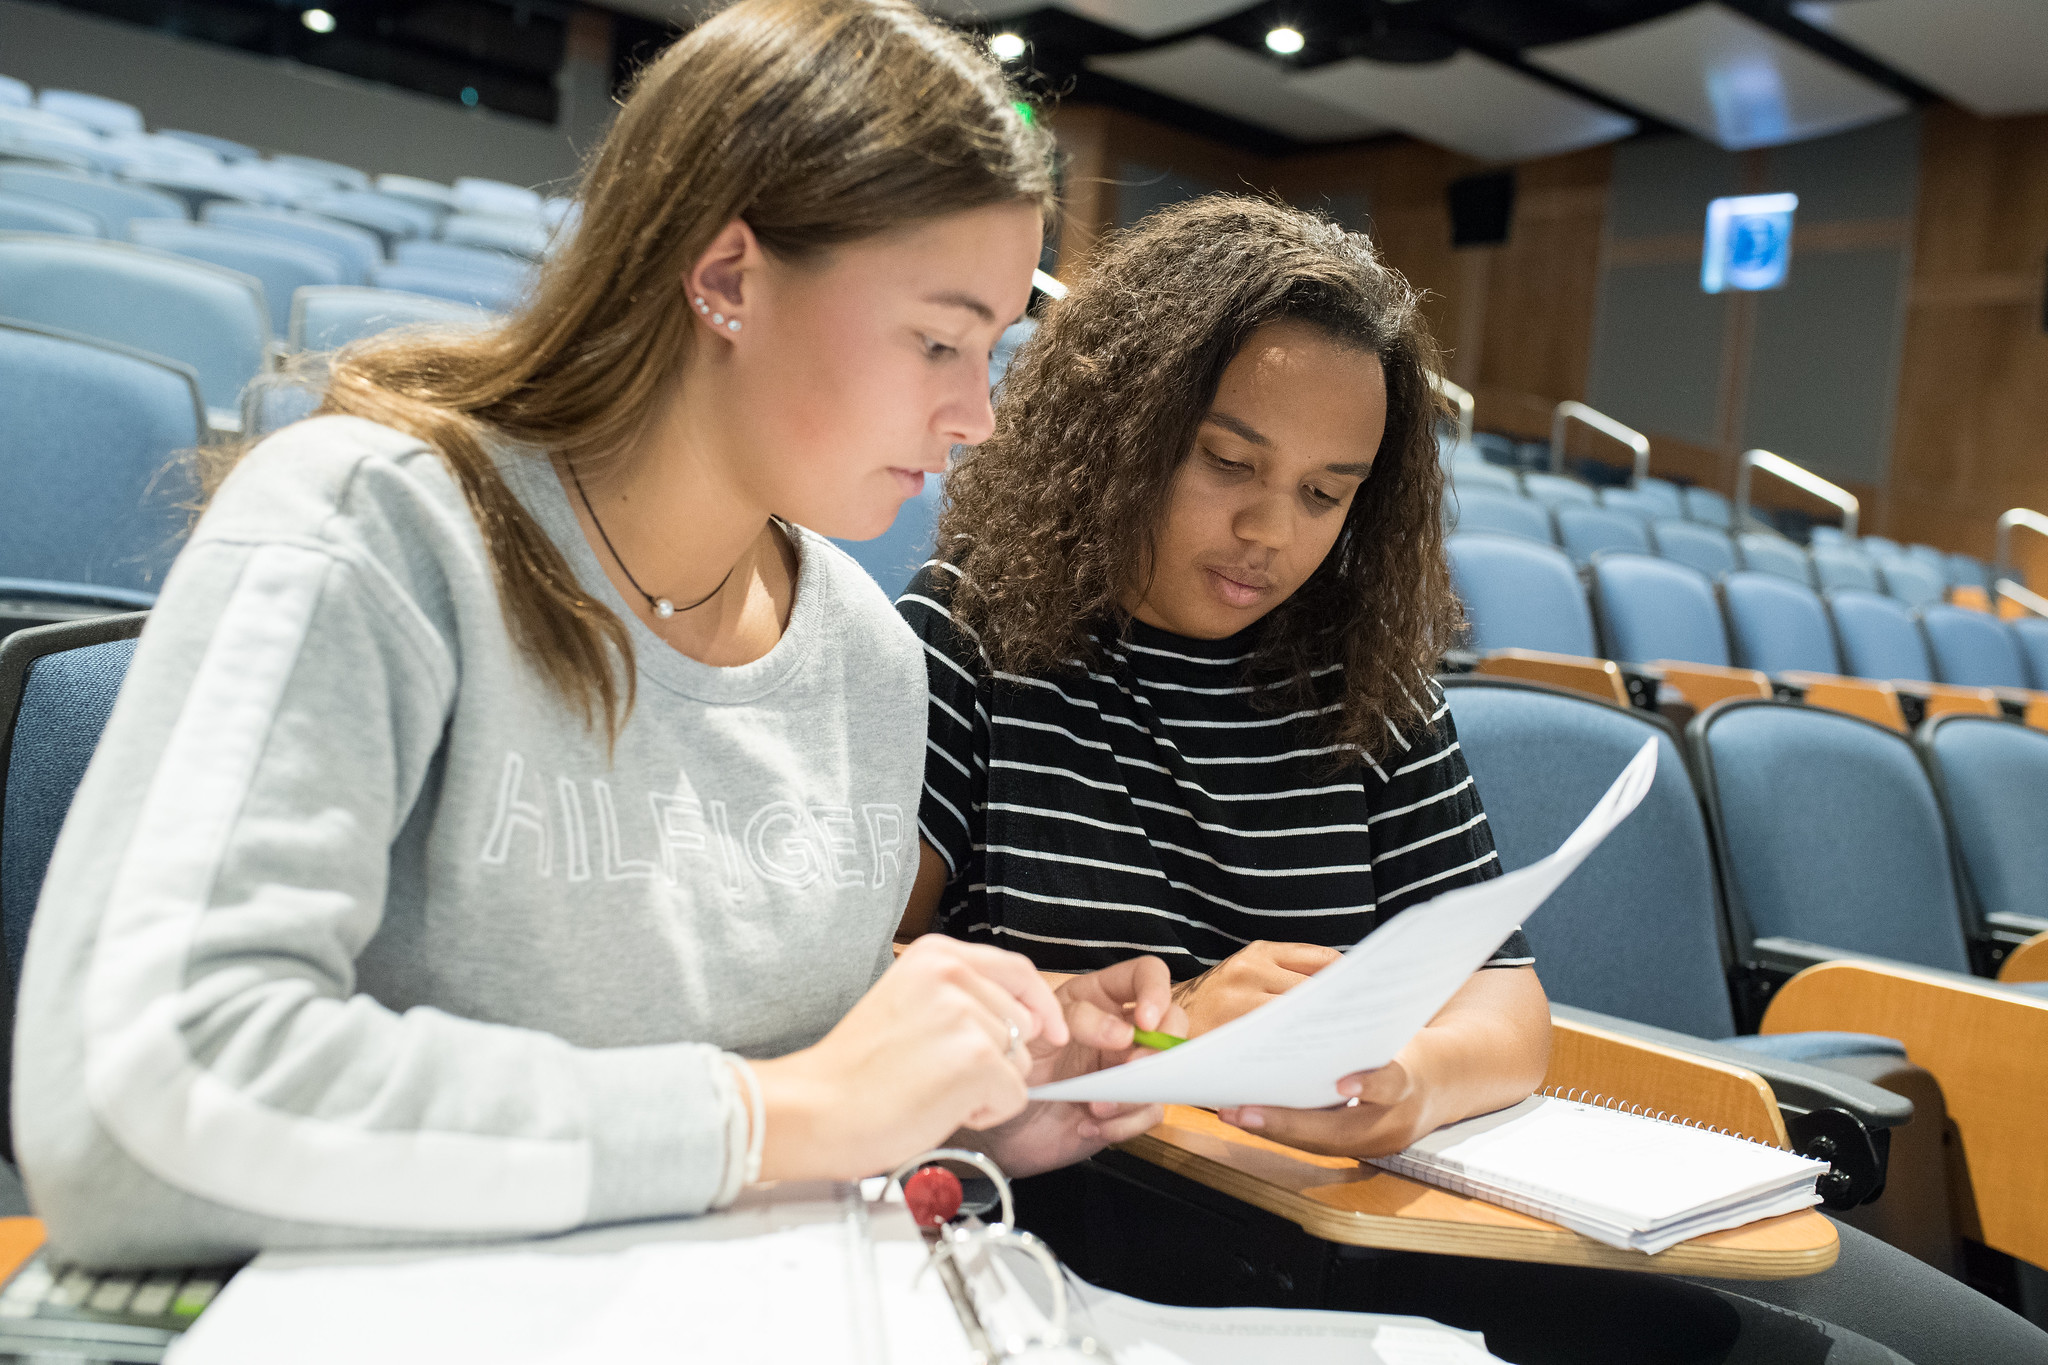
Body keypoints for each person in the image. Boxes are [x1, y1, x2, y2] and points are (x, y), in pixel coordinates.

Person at [14, 0, 1179, 1271]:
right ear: (727, 279)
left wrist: (959, 1115)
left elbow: (783, 1117)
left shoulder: (864, 652)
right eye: (939, 339)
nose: (978, 417)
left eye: (992, 349)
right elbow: (148, 1101)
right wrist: (782, 1115)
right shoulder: (372, 525)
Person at [895, 196, 2048, 1365]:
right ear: (1120, 427)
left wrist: (1410, 1078)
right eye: (1227, 461)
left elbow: (1506, 1008)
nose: (1265, 530)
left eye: (1323, 492)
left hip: (1377, 1191)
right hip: (1125, 1211)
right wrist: (1165, 1030)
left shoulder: (1363, 680)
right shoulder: (961, 641)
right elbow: (859, 988)